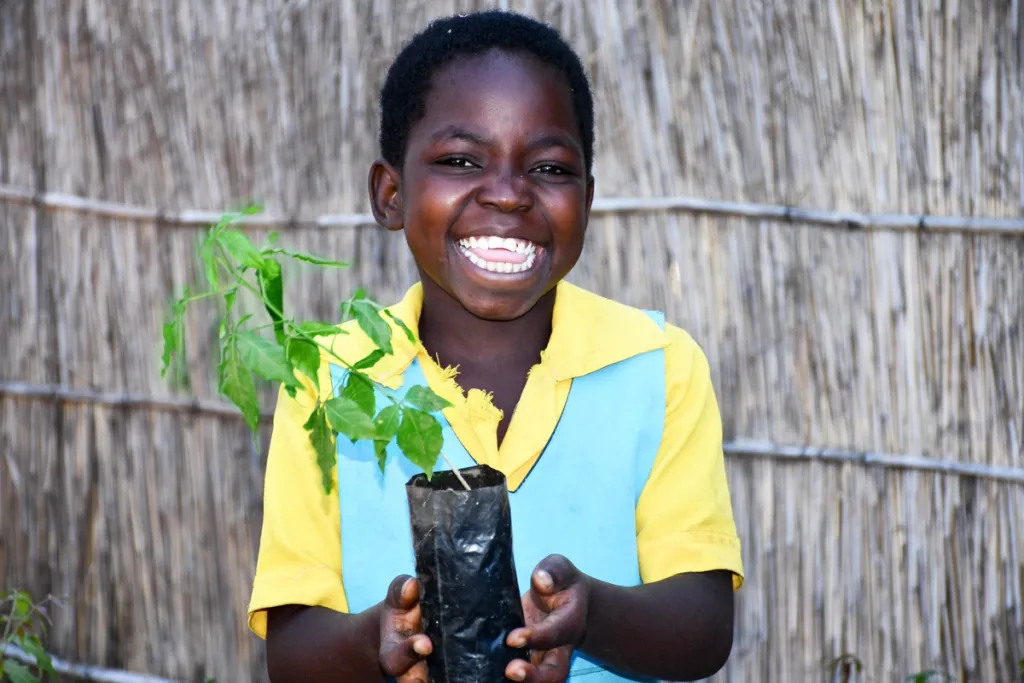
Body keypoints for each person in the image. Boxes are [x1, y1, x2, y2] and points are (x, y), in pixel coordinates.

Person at [247, 10, 744, 683]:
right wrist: (378, 640)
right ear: (390, 194)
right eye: (460, 160)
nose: (508, 194)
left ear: (587, 201)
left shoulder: (656, 366)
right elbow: (292, 651)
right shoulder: (329, 378)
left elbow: (704, 627)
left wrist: (588, 613)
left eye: (548, 167)